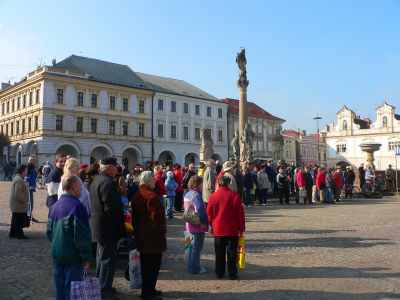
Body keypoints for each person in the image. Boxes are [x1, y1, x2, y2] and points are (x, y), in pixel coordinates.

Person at [47, 175, 92, 300]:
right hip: (73, 256)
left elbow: (49, 232)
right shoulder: (78, 207)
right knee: (71, 292)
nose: (81, 189)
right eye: (80, 186)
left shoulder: (54, 206)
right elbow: (81, 236)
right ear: (73, 187)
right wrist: (86, 258)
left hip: (57, 254)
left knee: (59, 290)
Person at [90, 157, 125, 298]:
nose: (117, 168)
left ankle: (101, 284)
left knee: (101, 257)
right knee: (107, 259)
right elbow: (111, 208)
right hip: (107, 227)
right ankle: (104, 289)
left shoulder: (97, 179)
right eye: (115, 166)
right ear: (109, 167)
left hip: (99, 225)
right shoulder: (108, 183)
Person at [132, 171, 166, 300]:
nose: (154, 181)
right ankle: (148, 292)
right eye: (153, 179)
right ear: (148, 181)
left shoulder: (137, 195)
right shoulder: (151, 197)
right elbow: (155, 219)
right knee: (152, 265)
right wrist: (160, 230)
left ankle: (150, 289)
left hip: (142, 235)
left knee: (147, 265)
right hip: (152, 237)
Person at [207, 176, 245, 280]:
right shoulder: (234, 196)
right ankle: (232, 273)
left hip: (218, 228)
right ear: (228, 184)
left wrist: (211, 225)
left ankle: (219, 272)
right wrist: (241, 229)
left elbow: (209, 214)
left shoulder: (213, 196)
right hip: (232, 229)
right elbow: (240, 215)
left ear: (219, 184)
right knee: (232, 253)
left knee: (219, 252)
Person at [184, 176, 208, 274]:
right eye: (202, 183)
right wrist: (204, 222)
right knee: (196, 248)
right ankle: (195, 268)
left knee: (189, 247)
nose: (203, 185)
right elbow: (201, 210)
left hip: (188, 225)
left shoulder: (187, 194)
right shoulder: (197, 195)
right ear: (197, 184)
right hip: (197, 226)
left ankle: (190, 265)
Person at [9, 164, 29, 239]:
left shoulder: (18, 178)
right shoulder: (19, 180)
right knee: (18, 220)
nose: (27, 172)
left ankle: (12, 233)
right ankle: (19, 234)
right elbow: (18, 193)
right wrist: (24, 200)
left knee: (15, 219)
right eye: (26, 170)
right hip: (18, 204)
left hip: (16, 204)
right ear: (23, 171)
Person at [25, 157, 38, 222]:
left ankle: (29, 216)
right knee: (29, 203)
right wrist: (29, 185)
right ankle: (28, 217)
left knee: (30, 203)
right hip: (28, 188)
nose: (34, 162)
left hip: (31, 187)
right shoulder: (28, 168)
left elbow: (34, 176)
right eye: (32, 160)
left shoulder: (33, 167)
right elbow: (26, 177)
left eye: (34, 160)